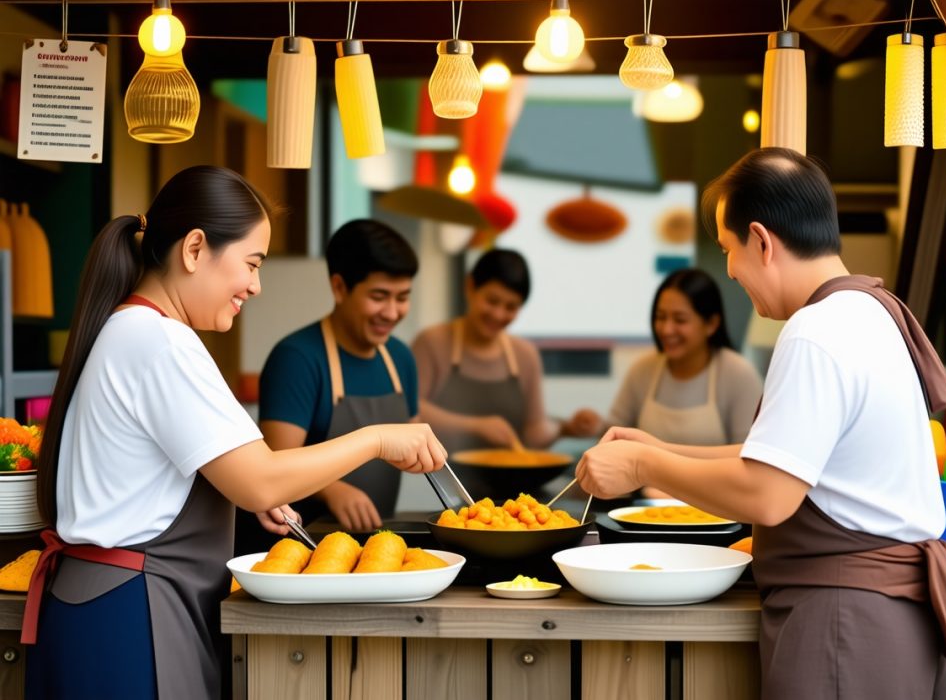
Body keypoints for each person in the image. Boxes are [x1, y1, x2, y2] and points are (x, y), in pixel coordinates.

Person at [23, 166, 446, 700]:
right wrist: (378, 439)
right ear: (195, 249)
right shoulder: (160, 341)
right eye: (251, 263)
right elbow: (262, 480)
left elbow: (223, 474)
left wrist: (239, 487)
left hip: (108, 606)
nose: (256, 285)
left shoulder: (135, 329)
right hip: (129, 614)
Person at [575, 148, 946, 699]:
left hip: (847, 622)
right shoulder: (870, 311)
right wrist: (665, 448)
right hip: (888, 619)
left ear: (761, 241)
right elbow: (790, 458)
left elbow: (768, 493)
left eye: (728, 251)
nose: (731, 271)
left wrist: (645, 463)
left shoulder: (815, 330)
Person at [237, 219, 421, 548]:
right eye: (379, 296)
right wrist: (333, 489)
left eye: (403, 297)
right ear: (339, 287)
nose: (392, 312)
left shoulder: (401, 359)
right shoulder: (297, 358)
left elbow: (408, 435)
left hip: (376, 544)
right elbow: (277, 462)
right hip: (302, 545)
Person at [412, 248, 600, 456]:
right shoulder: (432, 342)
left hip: (509, 486)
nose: (498, 314)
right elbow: (411, 411)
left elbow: (533, 433)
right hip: (440, 482)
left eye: (511, 307)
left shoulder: (525, 355)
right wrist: (476, 426)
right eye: (492, 301)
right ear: (470, 287)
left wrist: (566, 428)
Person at [604, 268, 761, 497]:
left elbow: (748, 462)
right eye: (660, 317)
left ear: (711, 324)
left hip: (718, 510)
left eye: (680, 319)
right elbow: (613, 437)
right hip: (645, 511)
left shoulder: (738, 374)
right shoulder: (643, 370)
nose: (667, 329)